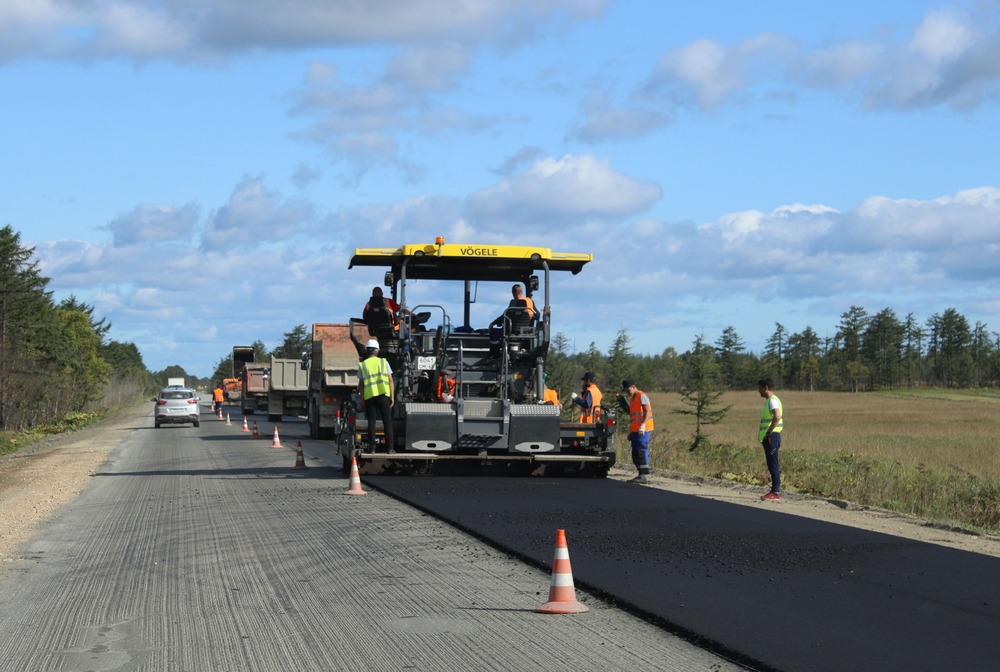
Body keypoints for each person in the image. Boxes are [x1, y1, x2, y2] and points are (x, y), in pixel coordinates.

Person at [358, 338, 396, 453]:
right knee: (387, 422)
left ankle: (372, 449)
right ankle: (390, 448)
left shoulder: (363, 365)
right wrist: (392, 396)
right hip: (384, 395)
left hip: (370, 397)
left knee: (372, 422)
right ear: (377, 351)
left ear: (367, 351)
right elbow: (390, 380)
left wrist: (362, 401)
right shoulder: (384, 362)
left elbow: (361, 385)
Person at [621, 377, 653, 483]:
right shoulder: (632, 399)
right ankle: (639, 473)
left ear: (633, 387)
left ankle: (643, 475)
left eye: (628, 390)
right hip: (635, 430)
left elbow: (647, 411)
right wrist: (630, 431)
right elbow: (633, 417)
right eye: (626, 391)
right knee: (635, 451)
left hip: (643, 430)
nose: (627, 392)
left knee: (641, 450)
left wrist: (643, 425)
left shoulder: (642, 396)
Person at [757, 378, 783, 501]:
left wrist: (768, 432)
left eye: (760, 388)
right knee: (772, 463)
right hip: (771, 437)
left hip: (771, 437)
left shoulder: (772, 401)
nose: (759, 391)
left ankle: (775, 492)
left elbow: (777, 417)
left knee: (773, 464)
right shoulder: (771, 400)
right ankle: (774, 491)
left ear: (766, 388)